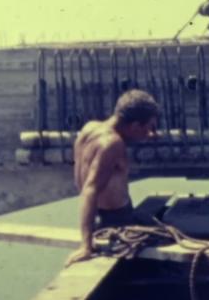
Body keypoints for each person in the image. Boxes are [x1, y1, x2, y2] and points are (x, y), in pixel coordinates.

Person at [65, 89, 159, 267]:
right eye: (148, 128)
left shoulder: (89, 128)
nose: (151, 134)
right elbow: (90, 190)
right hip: (116, 221)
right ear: (134, 126)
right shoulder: (112, 144)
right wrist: (86, 246)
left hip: (102, 217)